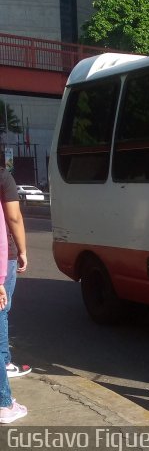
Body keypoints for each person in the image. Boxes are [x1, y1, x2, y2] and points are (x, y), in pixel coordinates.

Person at [0, 167, 30, 379]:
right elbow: (14, 217)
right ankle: (4, 363)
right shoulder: (3, 176)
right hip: (4, 255)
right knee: (1, 310)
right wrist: (22, 251)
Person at [0, 191, 27, 424]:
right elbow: (12, 219)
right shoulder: (3, 177)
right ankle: (4, 404)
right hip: (3, 262)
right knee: (1, 316)